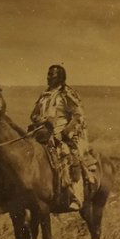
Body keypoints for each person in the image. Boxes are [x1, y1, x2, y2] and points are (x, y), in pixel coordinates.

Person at [30, 63, 95, 210]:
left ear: (59, 77)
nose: (48, 77)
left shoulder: (66, 94)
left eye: (51, 75)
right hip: (42, 131)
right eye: (47, 74)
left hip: (62, 133)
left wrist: (66, 131)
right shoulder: (44, 95)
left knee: (67, 155)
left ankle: (77, 196)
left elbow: (78, 114)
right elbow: (33, 114)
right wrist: (41, 120)